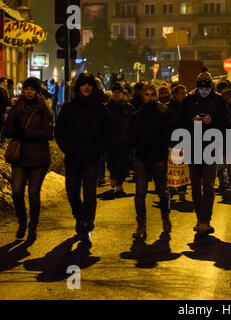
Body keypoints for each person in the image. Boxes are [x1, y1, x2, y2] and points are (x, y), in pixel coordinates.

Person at [54, 73, 111, 246]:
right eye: (83, 84)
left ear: (93, 88)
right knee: (72, 193)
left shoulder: (101, 109)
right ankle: (80, 218)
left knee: (89, 193)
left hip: (92, 158)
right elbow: (59, 132)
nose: (86, 87)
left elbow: (107, 133)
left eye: (89, 84)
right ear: (78, 87)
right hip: (72, 157)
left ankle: (86, 225)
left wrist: (99, 150)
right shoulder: (69, 108)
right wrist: (67, 148)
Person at [175, 71, 229, 235]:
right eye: (201, 88)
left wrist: (213, 122)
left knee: (209, 187)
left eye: (207, 88)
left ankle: (206, 220)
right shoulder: (189, 100)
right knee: (196, 187)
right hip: (193, 147)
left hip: (211, 147)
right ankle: (199, 218)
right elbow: (179, 123)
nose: (204, 91)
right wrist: (191, 121)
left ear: (211, 87)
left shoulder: (219, 100)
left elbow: (227, 123)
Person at [4, 77, 53, 242]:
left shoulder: (44, 109)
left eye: (32, 89)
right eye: (27, 89)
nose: (29, 92)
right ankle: (22, 221)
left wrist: (25, 133)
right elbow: (7, 131)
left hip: (39, 158)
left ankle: (33, 226)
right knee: (17, 191)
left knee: (33, 193)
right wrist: (14, 127)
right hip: (20, 157)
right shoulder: (16, 108)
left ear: (37, 91)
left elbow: (47, 134)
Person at [130, 85, 172, 239]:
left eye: (152, 94)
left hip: (158, 157)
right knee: (140, 193)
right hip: (141, 157)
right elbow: (132, 136)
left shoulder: (163, 113)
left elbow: (168, 133)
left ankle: (165, 216)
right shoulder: (137, 115)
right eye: (146, 94)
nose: (150, 97)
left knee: (163, 191)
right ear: (142, 96)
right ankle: (141, 223)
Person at [105, 83, 135, 197]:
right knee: (111, 161)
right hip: (111, 139)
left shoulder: (128, 107)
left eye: (119, 92)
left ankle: (119, 183)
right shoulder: (107, 107)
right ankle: (113, 176)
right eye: (115, 92)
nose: (117, 94)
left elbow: (133, 124)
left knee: (123, 162)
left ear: (122, 94)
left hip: (124, 140)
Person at [168, 84, 189, 202]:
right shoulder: (168, 107)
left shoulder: (189, 106)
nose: (183, 96)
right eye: (180, 93)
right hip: (172, 140)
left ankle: (182, 191)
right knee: (172, 167)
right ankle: (171, 189)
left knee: (183, 168)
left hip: (185, 140)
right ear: (174, 95)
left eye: (184, 93)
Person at [0, 77, 11, 144]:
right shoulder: (2, 90)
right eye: (5, 82)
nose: (6, 83)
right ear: (1, 82)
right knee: (3, 124)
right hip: (2, 109)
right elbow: (5, 100)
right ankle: (3, 140)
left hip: (2, 109)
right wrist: (10, 101)